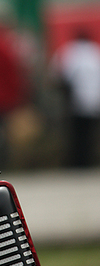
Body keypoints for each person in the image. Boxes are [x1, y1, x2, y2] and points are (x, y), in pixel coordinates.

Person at [50, 29, 100, 167]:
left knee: (76, 134)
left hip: (74, 101)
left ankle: (77, 162)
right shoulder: (95, 52)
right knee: (90, 133)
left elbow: (58, 76)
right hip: (94, 100)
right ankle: (88, 161)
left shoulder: (69, 51)